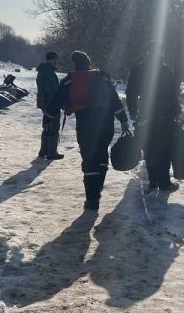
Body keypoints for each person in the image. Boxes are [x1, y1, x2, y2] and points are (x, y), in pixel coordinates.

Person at [47, 51, 129, 210]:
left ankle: (92, 199)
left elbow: (56, 101)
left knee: (89, 158)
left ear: (75, 64)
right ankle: (97, 187)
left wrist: (48, 117)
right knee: (102, 153)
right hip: (106, 123)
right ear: (88, 63)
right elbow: (114, 100)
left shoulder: (70, 80)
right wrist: (124, 120)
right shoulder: (103, 77)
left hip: (85, 124)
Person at [126, 43, 183, 192]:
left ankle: (153, 181)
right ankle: (164, 182)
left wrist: (133, 112)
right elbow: (173, 95)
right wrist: (177, 111)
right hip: (166, 114)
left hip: (146, 114)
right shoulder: (166, 70)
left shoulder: (138, 69)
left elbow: (130, 92)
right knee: (165, 149)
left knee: (150, 148)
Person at [36, 51, 63, 160]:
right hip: (50, 103)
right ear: (49, 60)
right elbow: (51, 90)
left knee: (47, 125)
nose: (56, 62)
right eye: (54, 59)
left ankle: (43, 151)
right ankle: (51, 152)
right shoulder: (48, 73)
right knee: (53, 126)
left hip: (45, 102)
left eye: (57, 59)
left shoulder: (45, 71)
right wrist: (58, 101)